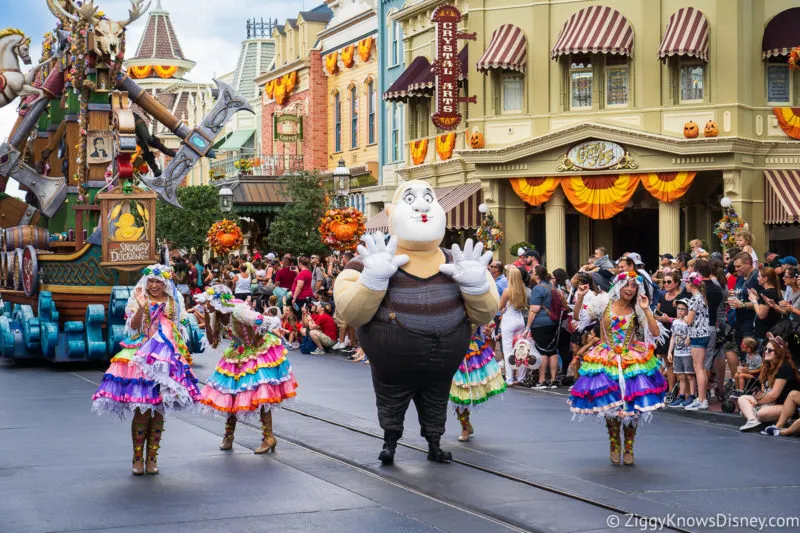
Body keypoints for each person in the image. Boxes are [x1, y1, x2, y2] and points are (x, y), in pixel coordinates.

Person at [333, 180, 499, 465]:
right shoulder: (368, 261)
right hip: (392, 363)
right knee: (390, 398)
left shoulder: (457, 261)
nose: (422, 206)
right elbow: (351, 313)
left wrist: (476, 285)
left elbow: (485, 314)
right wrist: (372, 279)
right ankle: (390, 443)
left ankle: (434, 443)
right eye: (410, 199)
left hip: (443, 361)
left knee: (436, 399)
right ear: (390, 212)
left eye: (428, 198)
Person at [91, 264, 201, 475]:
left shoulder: (173, 300)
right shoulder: (138, 296)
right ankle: (137, 458)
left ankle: (152, 458)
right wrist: (142, 306)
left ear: (165, 283)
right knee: (142, 410)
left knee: (158, 410)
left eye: (158, 281)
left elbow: (179, 327)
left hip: (166, 358)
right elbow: (132, 326)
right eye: (151, 281)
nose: (154, 285)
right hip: (142, 356)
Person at [569, 271, 667, 466]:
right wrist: (579, 297)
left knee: (631, 405)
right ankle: (614, 443)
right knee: (611, 403)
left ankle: (629, 446)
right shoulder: (603, 303)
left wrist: (647, 309)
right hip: (607, 359)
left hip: (631, 359)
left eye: (634, 286)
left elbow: (655, 332)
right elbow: (578, 319)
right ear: (618, 286)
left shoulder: (638, 308)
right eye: (626, 285)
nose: (630, 289)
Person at [197, 285, 297, 453]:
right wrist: (207, 315)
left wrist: (256, 338)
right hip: (236, 355)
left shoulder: (238, 311)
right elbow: (213, 341)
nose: (206, 304)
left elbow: (266, 321)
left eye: (208, 301)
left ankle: (269, 437)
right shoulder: (218, 314)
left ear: (218, 301)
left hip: (255, 353)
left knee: (260, 396)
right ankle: (228, 436)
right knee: (231, 395)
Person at [449, 326, 507, 442]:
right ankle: (465, 425)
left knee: (466, 392)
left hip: (472, 353)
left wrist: (489, 335)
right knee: (456, 394)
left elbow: (488, 338)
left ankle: (465, 426)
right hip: (453, 348)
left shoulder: (476, 311)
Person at [738, 335, 800, 431]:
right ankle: (753, 420)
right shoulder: (767, 366)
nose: (766, 352)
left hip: (786, 406)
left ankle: (752, 413)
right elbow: (765, 392)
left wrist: (756, 401)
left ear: (778, 352)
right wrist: (757, 399)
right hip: (770, 403)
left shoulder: (785, 367)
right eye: (765, 349)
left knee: (762, 413)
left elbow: (774, 395)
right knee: (742, 398)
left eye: (770, 350)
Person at [527, 266, 559, 389]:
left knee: (542, 351)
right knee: (552, 350)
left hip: (540, 323)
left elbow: (534, 309)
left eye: (533, 272)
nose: (531, 274)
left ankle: (542, 380)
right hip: (553, 322)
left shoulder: (537, 288)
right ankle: (553, 379)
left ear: (537, 276)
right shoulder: (551, 286)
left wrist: (528, 326)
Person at [498, 265, 529, 386]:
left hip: (509, 320)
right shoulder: (522, 289)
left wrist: (503, 307)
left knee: (507, 350)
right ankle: (521, 377)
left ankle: (509, 378)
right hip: (520, 319)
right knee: (520, 348)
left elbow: (500, 307)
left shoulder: (507, 291)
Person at [667, 300, 695, 408]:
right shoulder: (675, 322)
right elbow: (673, 337)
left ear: (687, 310)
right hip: (678, 352)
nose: (680, 311)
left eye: (683, 309)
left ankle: (692, 396)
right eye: (678, 309)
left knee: (689, 375)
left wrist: (689, 338)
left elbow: (691, 334)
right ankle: (681, 396)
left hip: (687, 352)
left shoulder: (689, 323)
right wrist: (670, 351)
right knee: (681, 376)